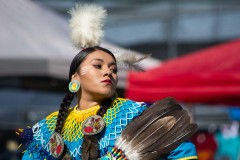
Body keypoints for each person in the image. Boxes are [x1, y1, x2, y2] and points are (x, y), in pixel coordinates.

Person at [19, 3, 198, 160]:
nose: (108, 72)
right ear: (75, 77)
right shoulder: (46, 128)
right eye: (98, 66)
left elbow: (180, 147)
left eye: (114, 69)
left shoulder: (133, 113)